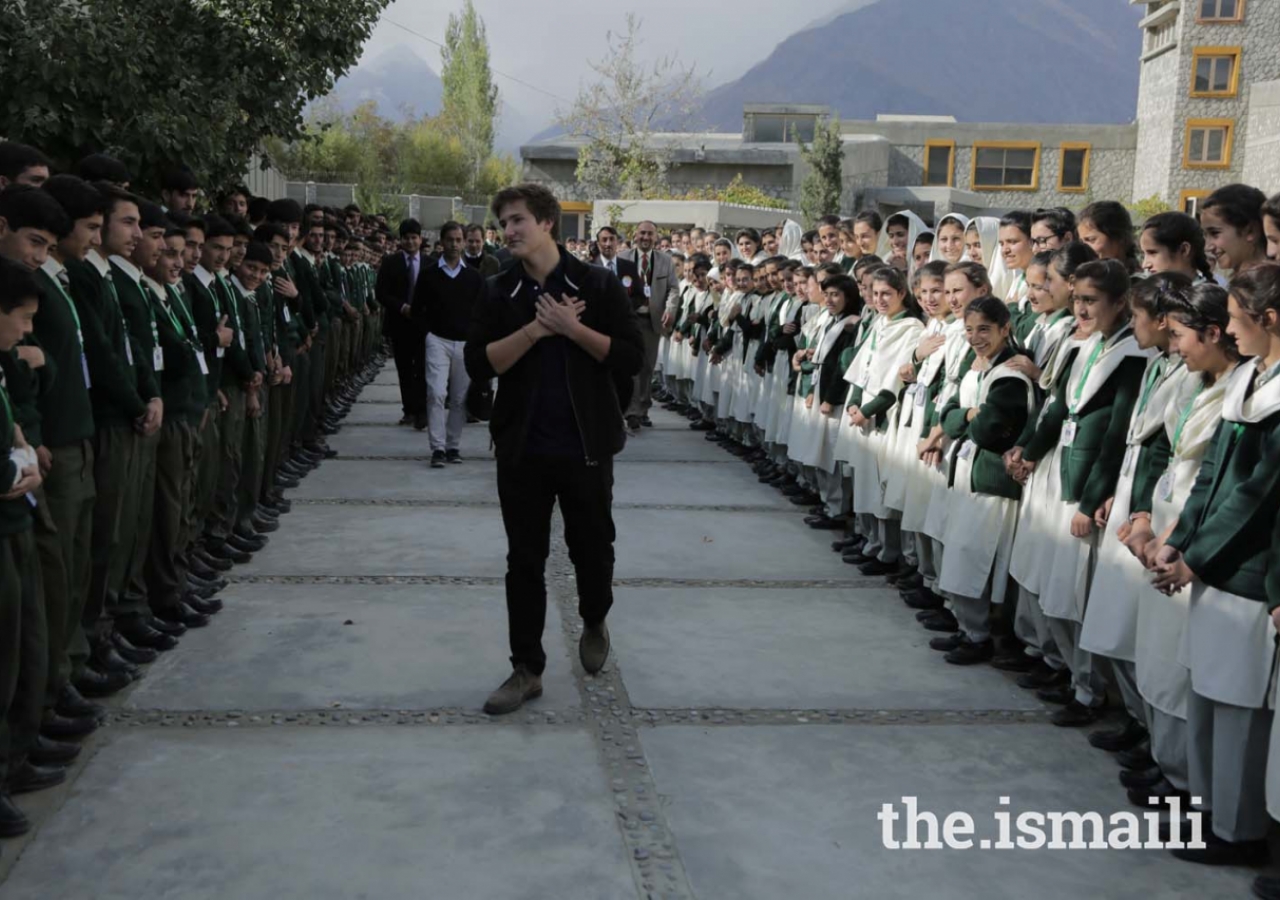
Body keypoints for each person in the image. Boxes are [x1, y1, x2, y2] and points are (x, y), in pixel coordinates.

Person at [464, 183, 642, 716]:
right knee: (524, 560)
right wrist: (538, 330)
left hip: (585, 444)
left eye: (517, 220)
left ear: (547, 223)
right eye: (503, 225)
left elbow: (630, 357)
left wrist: (573, 327)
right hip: (522, 447)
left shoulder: (597, 284)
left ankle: (594, 615)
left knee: (593, 548)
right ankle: (527, 668)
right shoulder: (497, 291)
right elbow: (480, 364)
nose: (509, 231)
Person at [412, 221, 482, 468]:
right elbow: (417, 308)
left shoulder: (473, 277)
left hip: (464, 344)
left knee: (459, 398)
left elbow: (481, 312)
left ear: (464, 242)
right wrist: (427, 334)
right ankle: (437, 448)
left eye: (459, 239)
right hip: (437, 340)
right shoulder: (430, 274)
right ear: (441, 242)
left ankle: (453, 446)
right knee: (436, 393)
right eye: (450, 239)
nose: (454, 244)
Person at [620, 219, 678, 432]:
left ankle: (643, 408)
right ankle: (631, 411)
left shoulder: (665, 261)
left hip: (652, 321)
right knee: (630, 366)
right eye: (642, 233)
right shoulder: (622, 258)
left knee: (647, 367)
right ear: (635, 235)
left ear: (655, 237)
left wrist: (670, 310)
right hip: (628, 320)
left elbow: (673, 289)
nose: (645, 238)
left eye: (650, 234)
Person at [375, 219, 427, 429]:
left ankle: (421, 410)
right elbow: (381, 293)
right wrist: (401, 307)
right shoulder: (390, 262)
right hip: (399, 323)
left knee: (423, 368)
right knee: (404, 369)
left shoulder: (431, 262)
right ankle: (408, 410)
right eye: (406, 238)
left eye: (414, 238)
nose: (411, 242)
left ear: (420, 239)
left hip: (424, 325)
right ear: (401, 240)